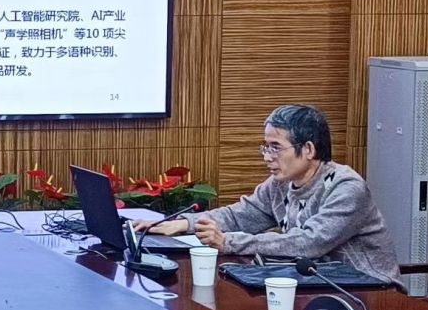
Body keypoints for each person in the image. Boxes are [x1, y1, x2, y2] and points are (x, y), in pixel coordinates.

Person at [139, 104, 399, 283]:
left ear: (308, 149)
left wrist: (228, 242)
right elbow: (241, 215)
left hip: (371, 290)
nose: (267, 157)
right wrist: (183, 224)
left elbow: (309, 243)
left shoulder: (345, 187)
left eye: (275, 147)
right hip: (319, 282)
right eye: (265, 147)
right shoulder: (280, 184)